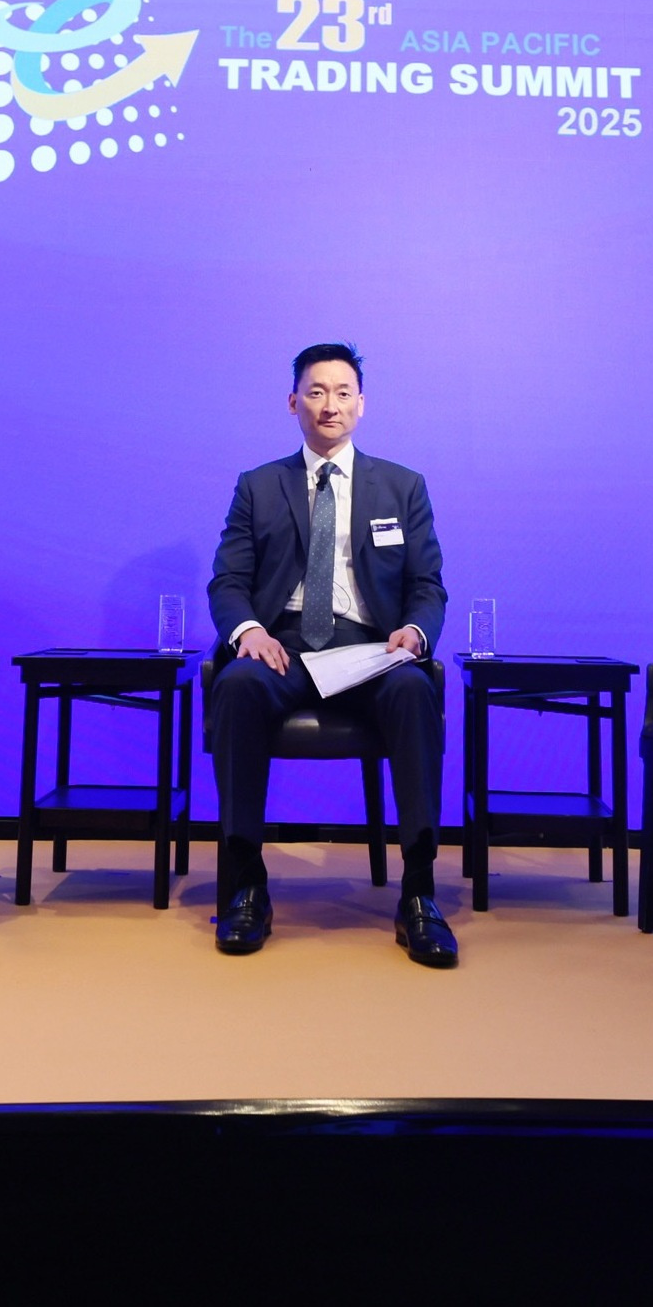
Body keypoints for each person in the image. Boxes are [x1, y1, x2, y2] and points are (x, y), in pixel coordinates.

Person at [201, 342, 457, 967]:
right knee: (236, 685)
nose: (329, 405)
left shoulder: (402, 486)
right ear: (293, 402)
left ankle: (419, 893)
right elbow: (228, 582)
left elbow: (427, 586)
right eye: (316, 392)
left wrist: (414, 632)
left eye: (343, 393)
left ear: (361, 404)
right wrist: (249, 632)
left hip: (371, 648)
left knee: (415, 689)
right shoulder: (259, 486)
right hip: (283, 646)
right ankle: (246, 885)